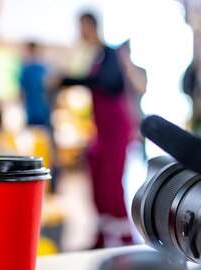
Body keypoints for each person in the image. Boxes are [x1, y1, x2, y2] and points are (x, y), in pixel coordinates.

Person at [60, 12, 132, 248]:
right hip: (101, 131)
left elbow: (108, 84)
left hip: (115, 129)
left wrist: (68, 81)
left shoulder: (109, 54)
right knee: (98, 181)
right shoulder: (95, 57)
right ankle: (101, 236)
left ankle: (124, 237)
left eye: (81, 27)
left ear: (91, 27)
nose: (79, 33)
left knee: (112, 183)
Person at [19, 41, 59, 190]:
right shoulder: (36, 70)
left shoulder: (36, 70)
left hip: (39, 114)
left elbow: (22, 94)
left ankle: (47, 185)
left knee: (41, 151)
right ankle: (45, 185)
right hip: (37, 114)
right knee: (39, 150)